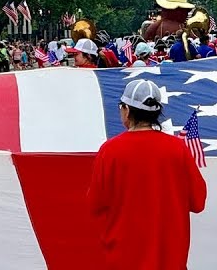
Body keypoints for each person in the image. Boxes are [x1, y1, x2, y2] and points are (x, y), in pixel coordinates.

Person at [87, 79, 207, 270]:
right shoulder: (178, 149)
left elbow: (95, 203)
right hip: (170, 259)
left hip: (123, 258)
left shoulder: (110, 151)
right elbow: (198, 202)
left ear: (126, 109)